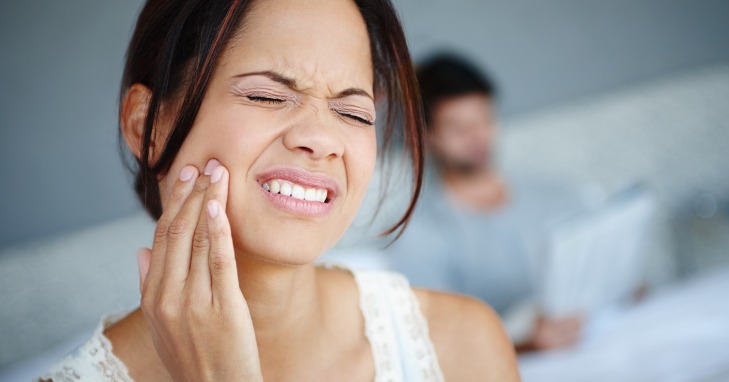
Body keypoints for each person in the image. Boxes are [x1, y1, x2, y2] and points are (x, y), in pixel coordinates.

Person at [38, 1, 519, 381]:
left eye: (353, 113)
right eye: (267, 96)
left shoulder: (462, 345)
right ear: (148, 126)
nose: (323, 139)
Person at [383, 53, 587, 352]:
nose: (478, 136)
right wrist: (527, 346)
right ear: (427, 136)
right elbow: (438, 341)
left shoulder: (555, 194)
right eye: (459, 128)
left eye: (484, 119)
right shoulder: (420, 233)